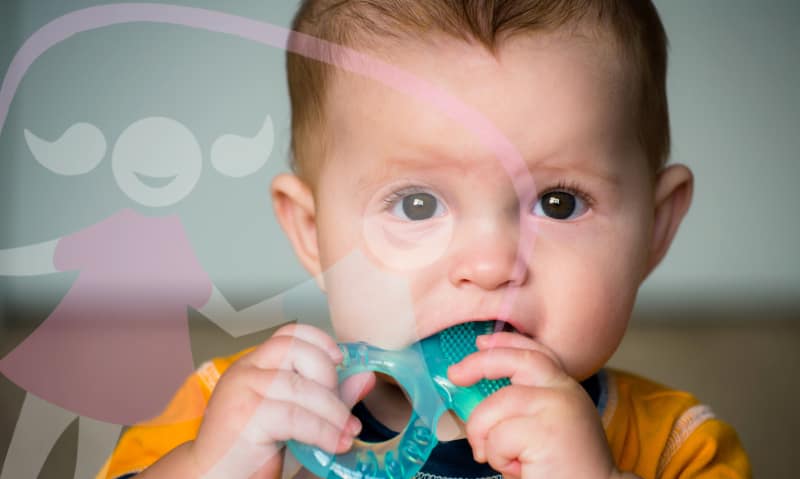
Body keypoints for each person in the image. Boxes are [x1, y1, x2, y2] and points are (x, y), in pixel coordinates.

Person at [97, 1, 751, 478]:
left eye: (559, 201)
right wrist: (212, 467)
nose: (491, 263)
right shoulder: (233, 409)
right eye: (416, 203)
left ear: (655, 229)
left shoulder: (675, 445)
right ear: (312, 232)